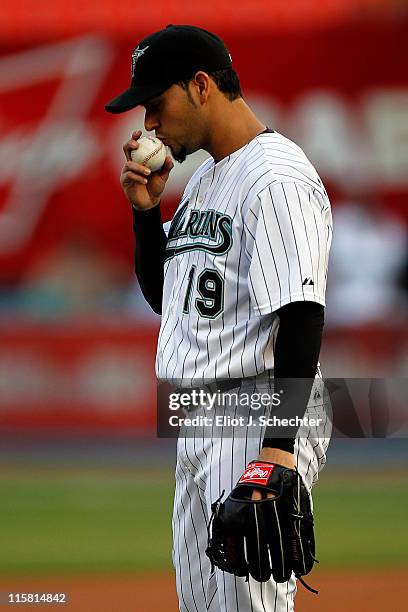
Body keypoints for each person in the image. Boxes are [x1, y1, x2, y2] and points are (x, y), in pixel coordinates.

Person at [106, 24, 332, 612]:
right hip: (199, 416)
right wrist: (146, 215)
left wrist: (278, 450)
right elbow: (166, 298)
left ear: (201, 86)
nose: (149, 123)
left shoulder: (276, 176)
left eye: (157, 104)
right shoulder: (206, 178)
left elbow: (302, 312)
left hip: (251, 411)